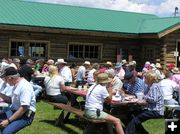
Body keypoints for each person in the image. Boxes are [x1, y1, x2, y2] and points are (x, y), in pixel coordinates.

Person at [0, 67, 36, 133]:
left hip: (26, 116)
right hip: (16, 111)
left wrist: (8, 121)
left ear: (10, 78)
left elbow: (23, 108)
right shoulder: (16, 84)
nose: (4, 81)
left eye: (5, 79)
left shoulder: (25, 87)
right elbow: (12, 100)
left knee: (6, 132)